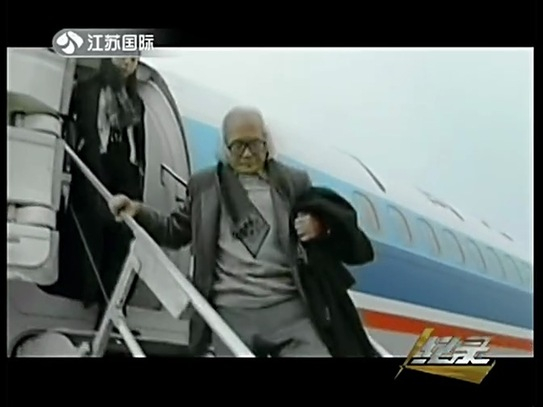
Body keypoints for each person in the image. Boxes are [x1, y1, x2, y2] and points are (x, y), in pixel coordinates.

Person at [108, 107, 375, 357]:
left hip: (289, 308)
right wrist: (138, 211)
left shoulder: (293, 183)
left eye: (254, 145)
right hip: (231, 311)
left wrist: (320, 227)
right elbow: (174, 231)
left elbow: (338, 225)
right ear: (225, 147)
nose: (247, 155)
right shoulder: (205, 187)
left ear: (266, 143)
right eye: (238, 146)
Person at [47, 57, 146, 315]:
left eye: (133, 59)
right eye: (122, 55)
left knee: (121, 238)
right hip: (96, 165)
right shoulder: (87, 90)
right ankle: (88, 295)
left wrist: (138, 179)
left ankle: (111, 304)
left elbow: (138, 144)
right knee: (92, 230)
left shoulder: (136, 101)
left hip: (125, 169)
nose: (127, 63)